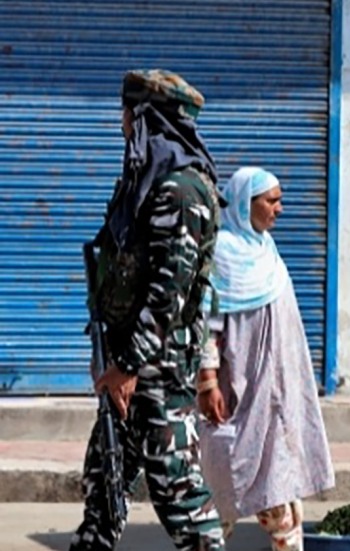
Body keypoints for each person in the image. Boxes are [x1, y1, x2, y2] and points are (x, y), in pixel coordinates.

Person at [71, 69, 225, 550]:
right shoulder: (145, 183)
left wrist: (130, 365)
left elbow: (167, 293)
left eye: (127, 113)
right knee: (104, 484)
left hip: (155, 373)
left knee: (180, 498)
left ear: (146, 119)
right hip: (127, 367)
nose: (121, 123)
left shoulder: (181, 192)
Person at [197, 167, 335, 551]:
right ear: (244, 203)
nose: (280, 209)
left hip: (277, 397)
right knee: (220, 497)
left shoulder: (266, 250)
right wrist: (207, 382)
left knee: (282, 498)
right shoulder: (222, 254)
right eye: (271, 201)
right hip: (238, 397)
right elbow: (208, 325)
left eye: (279, 199)